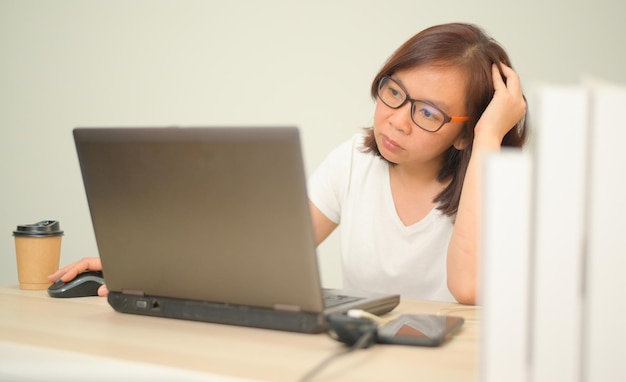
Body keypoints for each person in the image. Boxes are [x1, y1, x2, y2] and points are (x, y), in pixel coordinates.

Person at [49, 22, 527, 305]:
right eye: (394, 92)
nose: (396, 121)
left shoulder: (498, 189)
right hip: (368, 365)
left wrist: (489, 136)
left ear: (465, 132)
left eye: (427, 113)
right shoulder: (354, 162)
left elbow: (467, 288)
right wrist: (139, 267)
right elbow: (261, 259)